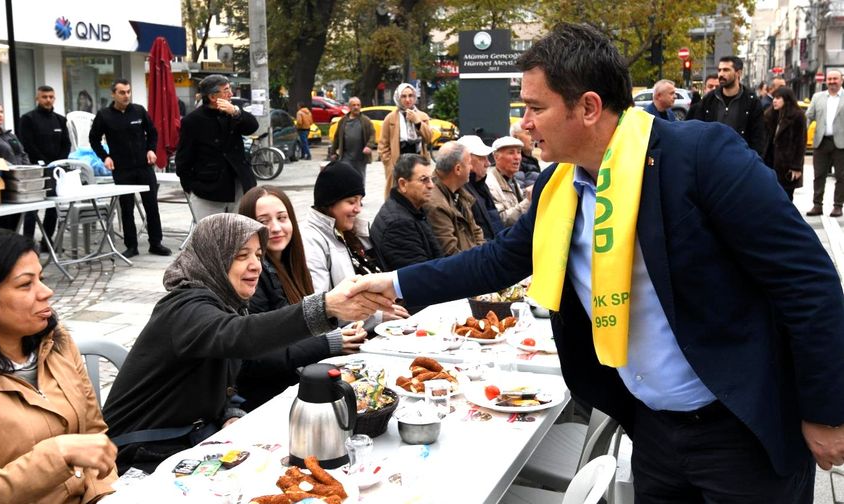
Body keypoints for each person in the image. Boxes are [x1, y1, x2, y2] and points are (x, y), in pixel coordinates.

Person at [353, 22, 844, 502]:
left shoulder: (699, 156)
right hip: (653, 429)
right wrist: (393, 284)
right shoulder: (558, 186)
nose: (523, 124)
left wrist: (826, 410)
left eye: (534, 108)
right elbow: (496, 261)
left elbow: (807, 282)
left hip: (741, 429)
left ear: (588, 107)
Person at [102, 213, 391, 473]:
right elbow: (241, 337)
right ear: (212, 257)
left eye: (258, 254)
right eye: (242, 255)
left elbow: (225, 370)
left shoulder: (224, 303)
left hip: (188, 441)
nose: (256, 265)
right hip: (136, 456)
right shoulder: (185, 306)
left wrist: (230, 412)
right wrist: (325, 306)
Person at [0, 228, 117, 502]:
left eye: (41, 279)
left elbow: (94, 432)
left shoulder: (56, 343)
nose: (47, 292)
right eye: (25, 284)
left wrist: (102, 495)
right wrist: (57, 455)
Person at [235, 185, 367, 410]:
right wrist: (329, 342)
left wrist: (338, 333)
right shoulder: (253, 276)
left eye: (282, 217)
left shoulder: (292, 263)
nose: (275, 228)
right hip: (266, 400)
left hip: (295, 384)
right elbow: (262, 355)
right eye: (264, 221)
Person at [301, 162, 407, 328]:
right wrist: (377, 317)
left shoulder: (352, 231)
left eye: (360, 201)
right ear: (330, 203)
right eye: (351, 202)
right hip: (354, 333)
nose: (358, 209)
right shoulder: (311, 240)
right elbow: (322, 306)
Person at [89, 79, 171, 258]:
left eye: (128, 92)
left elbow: (153, 133)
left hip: (144, 166)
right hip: (122, 168)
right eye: (122, 92)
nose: (126, 96)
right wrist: (105, 157)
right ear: (113, 94)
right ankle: (131, 245)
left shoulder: (139, 111)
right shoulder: (104, 115)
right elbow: (94, 139)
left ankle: (156, 243)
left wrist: (151, 149)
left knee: (151, 206)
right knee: (126, 208)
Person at [176, 75, 259, 220]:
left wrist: (236, 112)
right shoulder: (192, 121)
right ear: (213, 97)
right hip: (208, 189)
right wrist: (190, 187)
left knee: (240, 234)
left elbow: (252, 126)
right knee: (211, 237)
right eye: (226, 90)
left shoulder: (232, 113)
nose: (231, 94)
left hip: (239, 183)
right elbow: (183, 159)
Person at [370, 153, 444, 271]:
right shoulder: (399, 224)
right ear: (403, 184)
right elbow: (420, 276)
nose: (431, 185)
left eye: (431, 179)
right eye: (424, 180)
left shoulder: (412, 209)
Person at [18, 85, 71, 245]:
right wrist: (43, 163)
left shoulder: (60, 120)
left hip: (55, 170)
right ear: (37, 98)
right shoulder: (28, 119)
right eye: (44, 97)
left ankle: (47, 241)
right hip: (35, 170)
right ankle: (27, 242)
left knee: (53, 207)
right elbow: (27, 144)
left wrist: (58, 163)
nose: (48, 100)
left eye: (51, 97)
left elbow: (66, 144)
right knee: (31, 209)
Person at [689, 56, 766, 156]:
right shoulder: (709, 99)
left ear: (738, 73)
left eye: (726, 70)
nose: (721, 74)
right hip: (711, 159)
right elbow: (697, 130)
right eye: (719, 70)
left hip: (740, 160)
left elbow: (758, 137)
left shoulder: (752, 101)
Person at [424, 141, 485, 255]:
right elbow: (450, 252)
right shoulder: (436, 205)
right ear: (458, 169)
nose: (471, 168)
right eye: (469, 163)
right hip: (464, 267)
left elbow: (476, 231)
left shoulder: (459, 191)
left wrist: (483, 256)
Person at [378, 83, 432, 198]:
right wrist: (389, 164)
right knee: (399, 194)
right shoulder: (391, 118)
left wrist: (417, 122)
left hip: (418, 160)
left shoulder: (422, 116)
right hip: (398, 161)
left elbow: (429, 138)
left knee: (419, 193)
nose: (408, 100)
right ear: (398, 98)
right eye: (404, 96)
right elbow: (383, 145)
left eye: (411, 95)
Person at [0, 99, 31, 231]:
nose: (0, 115)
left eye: (1, 112)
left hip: (18, 185)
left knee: (14, 227)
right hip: (1, 188)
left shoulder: (9, 135)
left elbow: (22, 154)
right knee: (1, 228)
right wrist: (13, 170)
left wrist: (26, 171)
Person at [806, 70, 844, 217]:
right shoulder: (818, 97)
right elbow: (809, 116)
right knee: (819, 175)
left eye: (835, 79)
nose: (832, 81)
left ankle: (838, 206)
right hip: (821, 142)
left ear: (841, 80)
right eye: (829, 79)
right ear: (826, 81)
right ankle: (817, 205)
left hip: (841, 144)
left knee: (841, 176)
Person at [763, 86, 806, 201]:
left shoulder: (798, 116)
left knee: (786, 198)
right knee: (770, 197)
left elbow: (800, 143)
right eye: (773, 98)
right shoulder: (770, 115)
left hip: (787, 165)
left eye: (778, 98)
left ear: (787, 99)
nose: (774, 101)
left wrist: (796, 167)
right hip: (770, 163)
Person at [459, 135, 504, 240]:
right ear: (467, 161)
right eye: (482, 158)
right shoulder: (461, 190)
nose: (488, 163)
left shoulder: (481, 185)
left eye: (487, 158)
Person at [486, 135, 531, 226]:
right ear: (496, 157)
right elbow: (502, 220)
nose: (517, 157)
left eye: (519, 152)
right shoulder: (490, 183)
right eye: (511, 153)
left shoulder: (512, 180)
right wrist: (529, 200)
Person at [331, 96, 375, 179]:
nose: (356, 107)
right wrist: (333, 152)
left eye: (358, 105)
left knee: (360, 179)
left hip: (360, 158)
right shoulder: (343, 121)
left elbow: (372, 134)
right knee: (347, 179)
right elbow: (337, 137)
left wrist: (369, 146)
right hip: (346, 157)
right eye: (354, 105)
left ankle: (360, 192)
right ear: (349, 107)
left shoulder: (366, 121)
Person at [510, 121, 541, 188]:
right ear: (515, 137)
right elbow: (520, 192)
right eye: (528, 134)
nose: (533, 139)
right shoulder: (515, 161)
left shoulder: (532, 160)